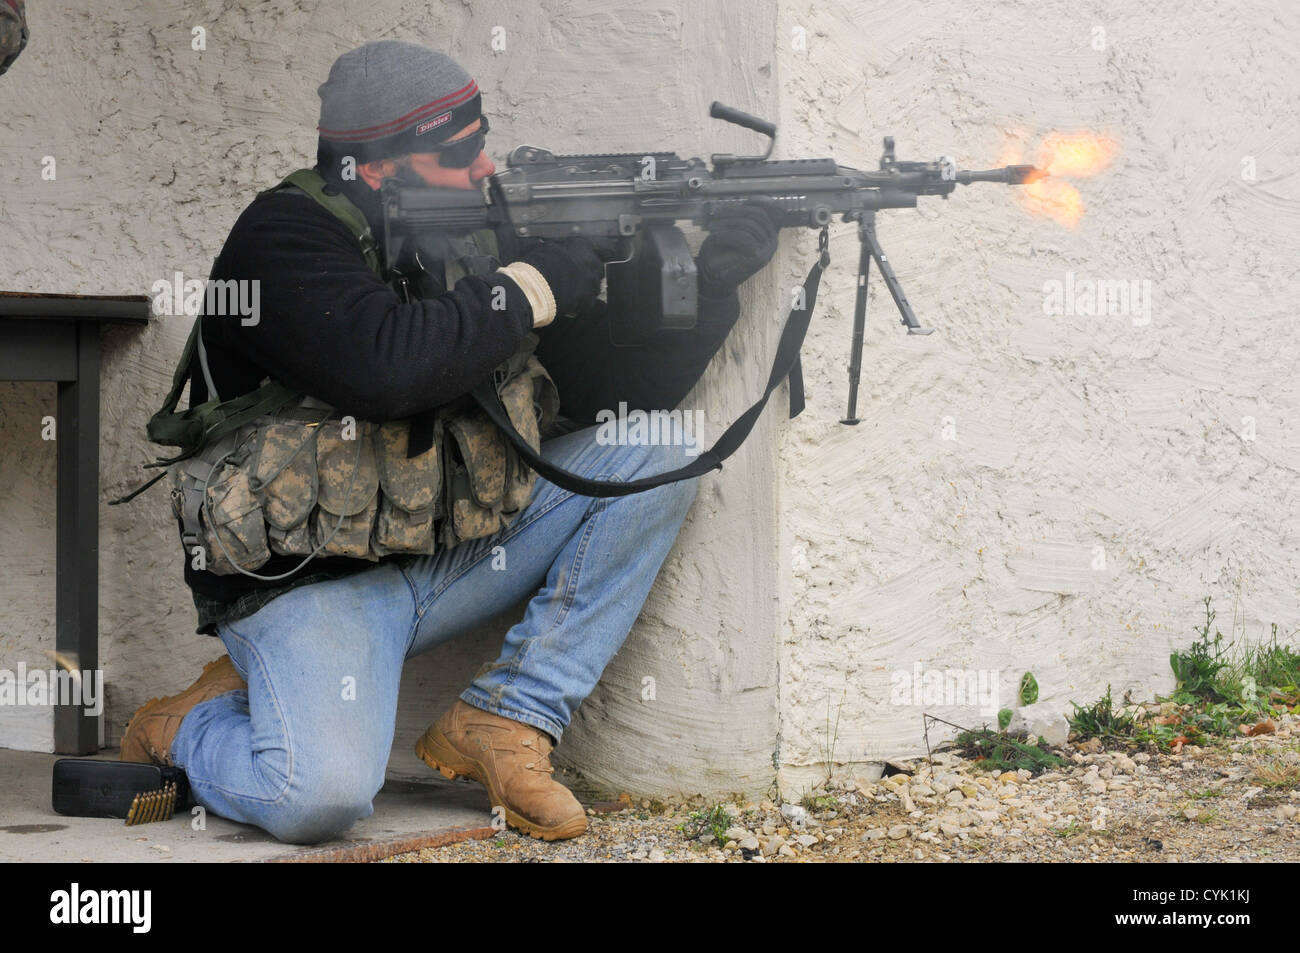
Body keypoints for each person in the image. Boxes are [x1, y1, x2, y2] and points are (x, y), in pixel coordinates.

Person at [120, 40, 779, 844]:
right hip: (304, 588)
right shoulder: (281, 239)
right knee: (316, 798)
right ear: (379, 165)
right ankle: (185, 725)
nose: (483, 168)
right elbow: (385, 367)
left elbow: (612, 393)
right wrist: (533, 283)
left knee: (658, 450)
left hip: (445, 558)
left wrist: (708, 287)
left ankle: (507, 717)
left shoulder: (468, 238)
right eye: (459, 153)